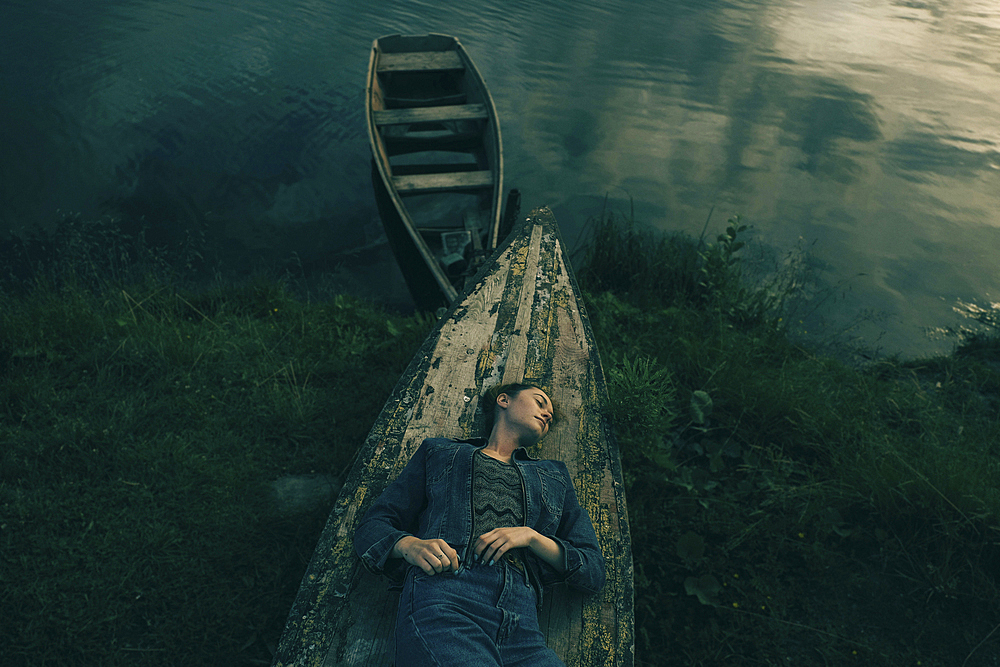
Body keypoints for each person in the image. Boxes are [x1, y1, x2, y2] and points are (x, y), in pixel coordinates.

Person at [354, 382, 606, 666]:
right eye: (540, 402)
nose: (547, 414)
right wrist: (409, 545)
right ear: (503, 400)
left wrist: (533, 537)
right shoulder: (440, 452)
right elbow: (374, 525)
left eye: (550, 414)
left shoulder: (555, 476)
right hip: (447, 597)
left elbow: (593, 572)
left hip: (522, 620)